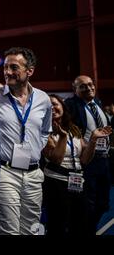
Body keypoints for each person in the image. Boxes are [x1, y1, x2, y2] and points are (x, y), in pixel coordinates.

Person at [0, 47, 52, 235]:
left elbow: (45, 131)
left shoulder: (43, 99)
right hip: (5, 172)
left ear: (29, 71)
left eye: (14, 67)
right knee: (9, 231)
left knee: (31, 229)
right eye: (5, 67)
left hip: (33, 173)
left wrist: (34, 148)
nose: (8, 72)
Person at [42, 94, 111, 235]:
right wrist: (62, 137)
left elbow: (84, 160)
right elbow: (56, 159)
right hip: (56, 182)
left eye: (55, 104)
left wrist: (93, 140)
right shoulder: (43, 131)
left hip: (78, 181)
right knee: (58, 225)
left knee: (80, 224)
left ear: (62, 106)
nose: (52, 107)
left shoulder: (74, 129)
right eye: (48, 106)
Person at [64, 75, 112, 234]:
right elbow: (67, 127)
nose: (89, 88)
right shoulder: (71, 105)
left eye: (91, 84)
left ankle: (87, 229)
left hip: (104, 160)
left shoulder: (97, 103)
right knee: (87, 204)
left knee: (103, 203)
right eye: (83, 86)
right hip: (86, 161)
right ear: (75, 89)